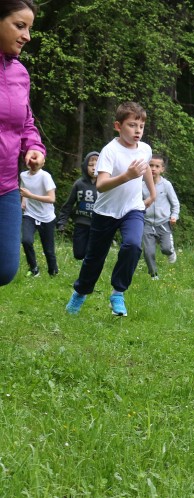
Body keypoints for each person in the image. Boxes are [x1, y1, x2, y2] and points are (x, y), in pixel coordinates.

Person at [65, 102, 156, 317]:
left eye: (141, 126)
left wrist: (152, 194)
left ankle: (118, 292)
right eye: (132, 125)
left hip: (132, 209)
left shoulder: (145, 149)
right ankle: (80, 292)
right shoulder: (110, 151)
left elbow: (145, 171)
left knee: (133, 245)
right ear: (118, 125)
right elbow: (101, 184)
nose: (137, 131)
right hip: (105, 212)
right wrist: (127, 176)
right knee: (94, 258)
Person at [0, 0, 46, 286]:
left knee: (5, 268)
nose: (27, 36)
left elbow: (26, 122)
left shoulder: (20, 73)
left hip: (5, 187)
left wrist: (35, 147)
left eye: (29, 28)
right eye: (20, 26)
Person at [142, 154, 180, 279]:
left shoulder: (166, 185)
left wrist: (174, 216)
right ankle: (153, 274)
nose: (153, 168)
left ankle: (171, 252)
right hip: (146, 223)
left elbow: (175, 203)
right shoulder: (142, 185)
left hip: (163, 222)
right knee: (148, 252)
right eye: (151, 165)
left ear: (162, 169)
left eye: (157, 166)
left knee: (166, 249)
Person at [57, 151, 99, 260]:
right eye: (91, 165)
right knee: (79, 254)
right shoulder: (79, 184)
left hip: (97, 224)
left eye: (97, 165)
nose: (94, 168)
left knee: (92, 253)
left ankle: (88, 271)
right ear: (85, 166)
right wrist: (62, 221)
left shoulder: (105, 184)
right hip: (81, 223)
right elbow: (69, 203)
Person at [20, 162, 58, 277]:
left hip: (47, 217)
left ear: (42, 163)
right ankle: (34, 269)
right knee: (26, 240)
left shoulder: (45, 176)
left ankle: (53, 272)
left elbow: (52, 198)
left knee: (48, 250)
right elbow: (24, 191)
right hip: (30, 214)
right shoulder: (23, 175)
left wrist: (31, 196)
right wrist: (23, 202)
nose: (32, 163)